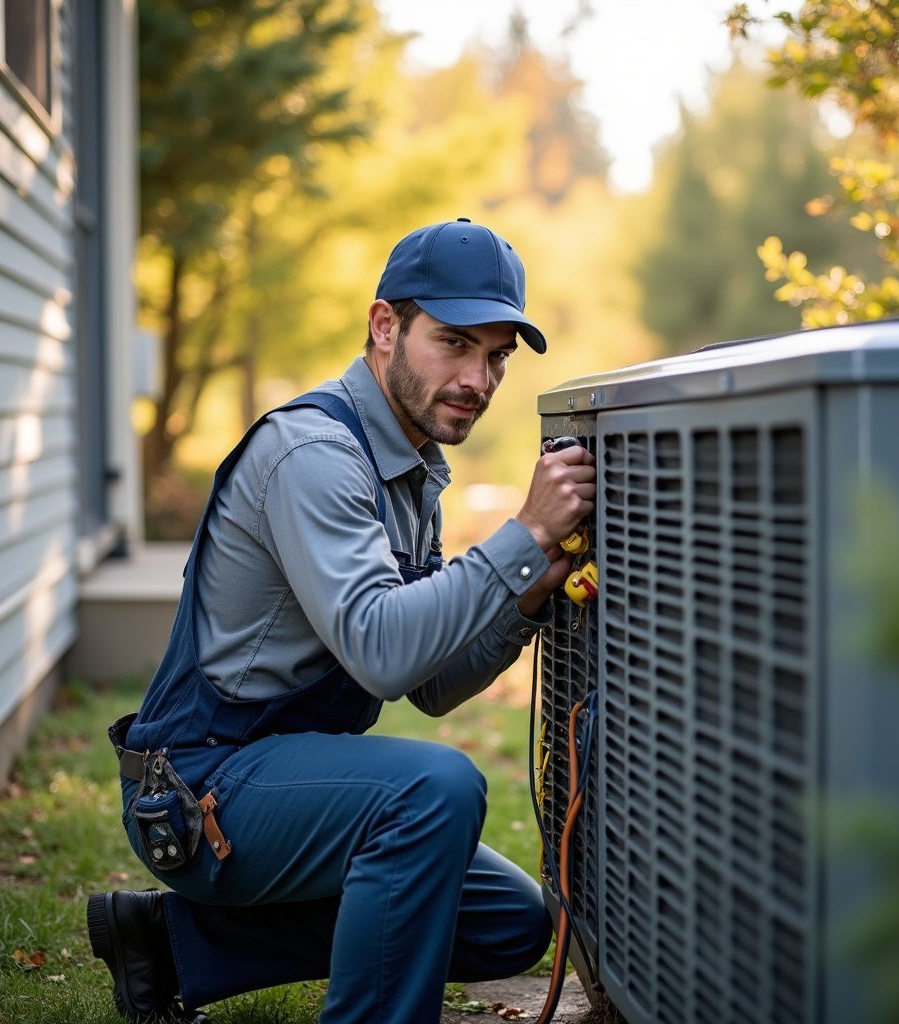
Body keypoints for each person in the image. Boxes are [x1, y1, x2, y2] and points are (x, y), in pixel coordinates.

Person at [87, 218, 596, 1024]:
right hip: (200, 793)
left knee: (513, 923)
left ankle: (171, 943)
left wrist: (523, 602)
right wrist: (523, 535)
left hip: (271, 780)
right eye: (456, 344)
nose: (480, 378)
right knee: (435, 790)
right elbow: (385, 655)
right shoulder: (315, 453)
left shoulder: (409, 467)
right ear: (384, 326)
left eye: (496, 356)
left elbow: (429, 686)